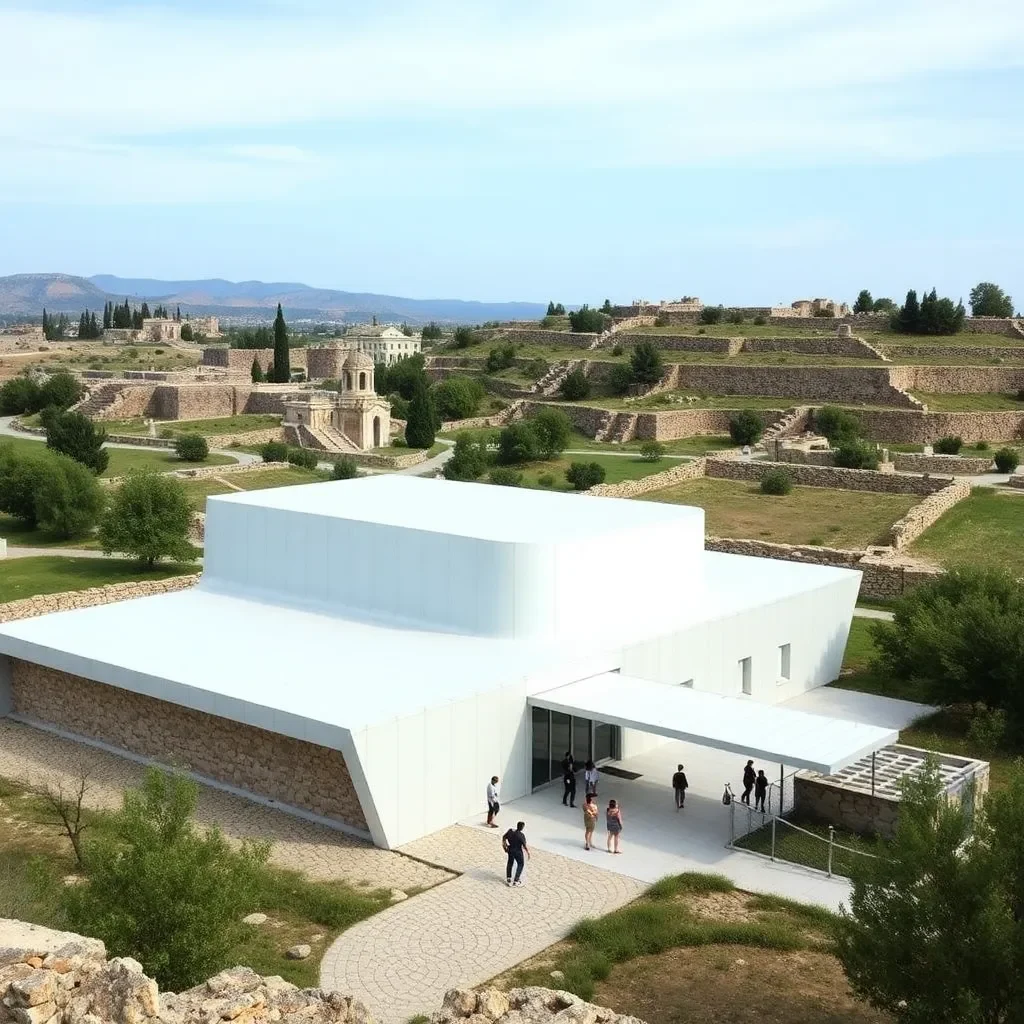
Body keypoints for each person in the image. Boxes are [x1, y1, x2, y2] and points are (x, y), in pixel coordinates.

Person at [502, 820, 529, 886]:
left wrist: (504, 846)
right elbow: (524, 845)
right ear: (522, 827)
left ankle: (509, 878)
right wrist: (528, 853)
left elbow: (504, 837)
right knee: (520, 864)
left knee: (510, 863)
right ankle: (516, 880)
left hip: (510, 849)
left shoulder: (510, 831)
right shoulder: (521, 835)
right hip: (518, 851)